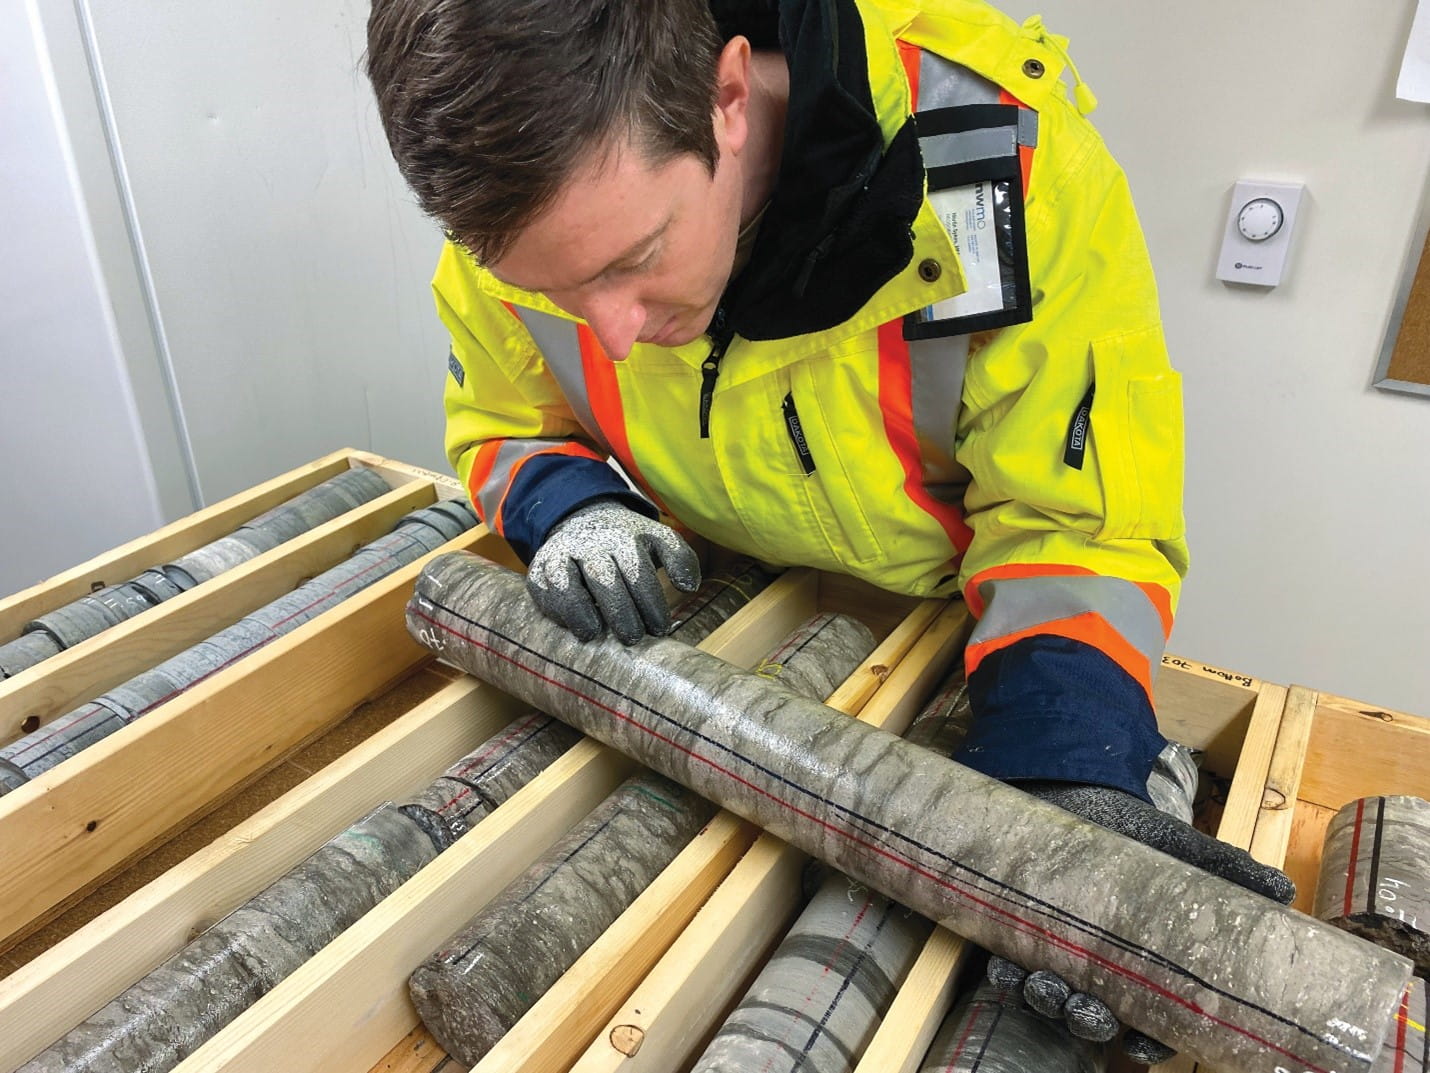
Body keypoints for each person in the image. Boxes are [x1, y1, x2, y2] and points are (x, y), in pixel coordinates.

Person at [365, 0, 1293, 1059]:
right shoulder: (517, 224)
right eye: (557, 291)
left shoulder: (990, 164)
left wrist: (1063, 759)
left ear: (724, 99)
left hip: (967, 640)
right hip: (722, 605)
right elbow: (498, 420)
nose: (610, 332)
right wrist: (566, 506)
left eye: (634, 259)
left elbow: (1068, 519)